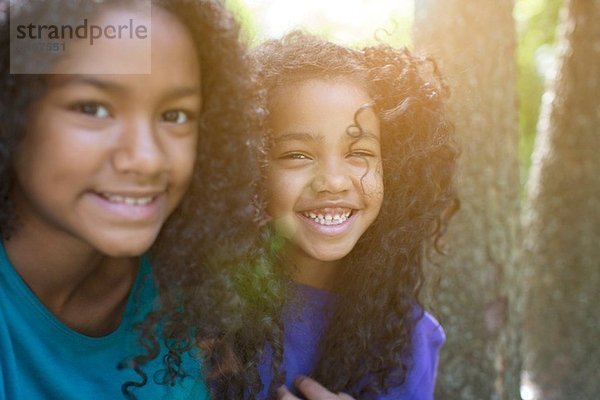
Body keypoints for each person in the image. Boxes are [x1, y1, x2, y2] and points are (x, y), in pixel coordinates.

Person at [0, 1, 267, 399]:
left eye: (175, 115)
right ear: (11, 110)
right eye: (93, 108)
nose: (147, 157)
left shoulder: (188, 301)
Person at [251, 32, 459, 400]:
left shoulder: (409, 337)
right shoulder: (193, 319)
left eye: (359, 152)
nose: (333, 181)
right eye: (297, 155)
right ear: (247, 168)